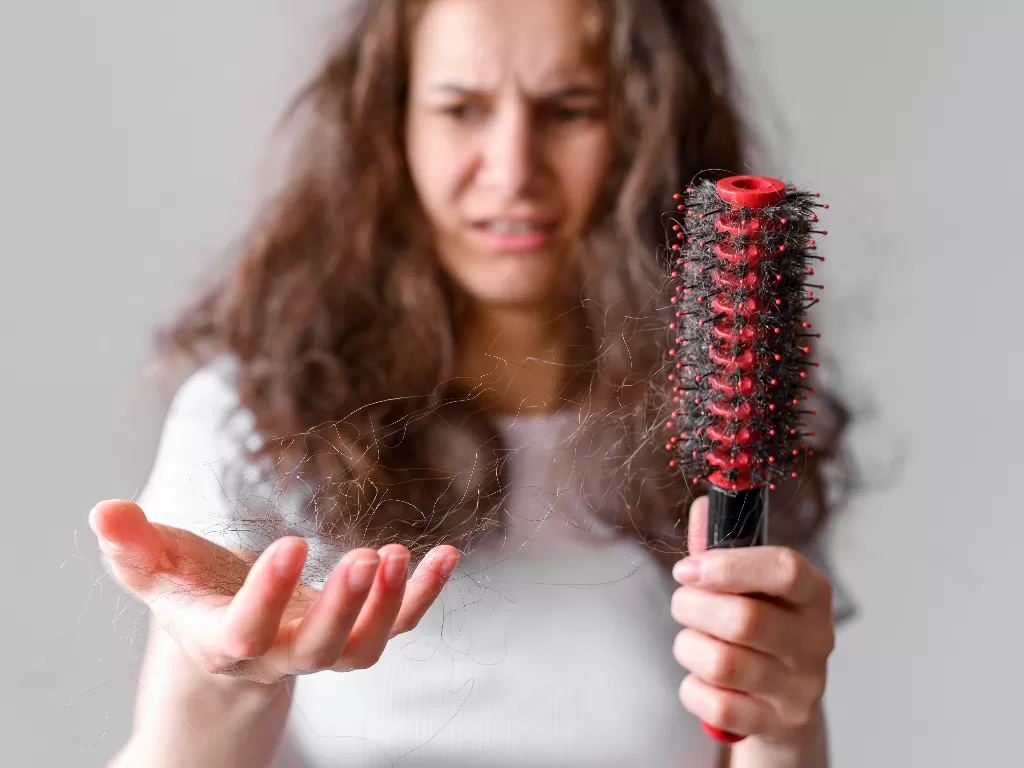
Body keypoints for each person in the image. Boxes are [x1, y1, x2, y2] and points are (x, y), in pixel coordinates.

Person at [90, 1, 849, 766]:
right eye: (461, 109)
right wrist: (228, 679)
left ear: (649, 128)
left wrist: (784, 726)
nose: (513, 169)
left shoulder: (731, 422)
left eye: (570, 109)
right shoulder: (251, 422)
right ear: (394, 126)